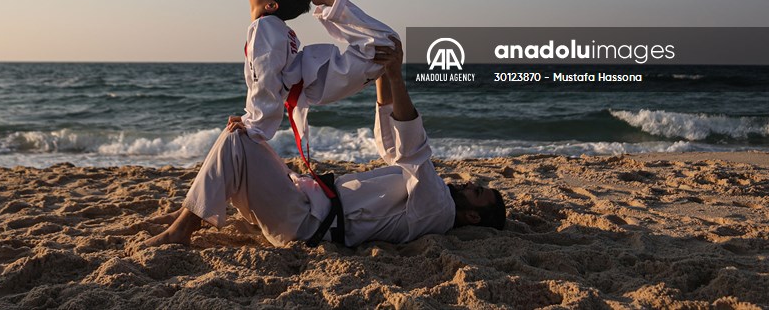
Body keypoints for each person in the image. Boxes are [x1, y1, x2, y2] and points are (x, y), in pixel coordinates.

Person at [143, 36, 505, 248]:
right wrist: (381, 74)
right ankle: (187, 214)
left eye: (477, 192)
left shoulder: (437, 209)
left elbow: (414, 148)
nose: (471, 183)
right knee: (240, 133)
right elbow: (393, 147)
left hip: (302, 224)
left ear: (472, 217)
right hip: (300, 203)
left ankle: (182, 229)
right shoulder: (430, 196)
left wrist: (396, 74)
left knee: (237, 141)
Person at [239, 0, 399, 148]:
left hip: (323, 78)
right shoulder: (271, 27)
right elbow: (262, 79)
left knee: (388, 44)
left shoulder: (265, 26)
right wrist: (250, 120)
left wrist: (254, 126)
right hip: (323, 78)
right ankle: (328, 1)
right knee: (388, 42)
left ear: (272, 5)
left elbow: (263, 80)